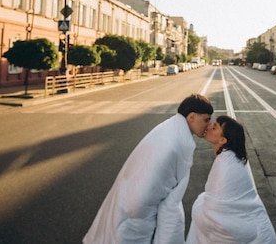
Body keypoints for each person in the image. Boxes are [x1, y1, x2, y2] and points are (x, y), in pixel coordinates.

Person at [83, 94, 214, 244]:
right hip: (138, 209)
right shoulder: (180, 142)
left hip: (127, 199)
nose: (208, 125)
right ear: (191, 117)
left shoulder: (168, 127)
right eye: (206, 120)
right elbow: (166, 193)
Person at [186, 115, 276, 244]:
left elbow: (216, 213)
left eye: (214, 127)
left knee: (199, 207)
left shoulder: (225, 164)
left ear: (223, 140)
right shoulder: (233, 158)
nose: (209, 126)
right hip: (259, 229)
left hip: (250, 233)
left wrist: (198, 206)